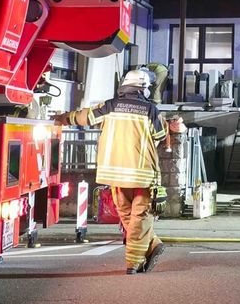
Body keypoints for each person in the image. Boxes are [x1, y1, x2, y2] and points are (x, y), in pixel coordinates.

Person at [51, 69, 167, 274]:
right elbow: (159, 135)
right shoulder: (151, 110)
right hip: (142, 176)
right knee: (141, 217)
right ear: (144, 88)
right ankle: (134, 262)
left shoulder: (110, 106)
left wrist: (62, 118)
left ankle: (152, 246)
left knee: (127, 216)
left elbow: (84, 117)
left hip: (114, 174)